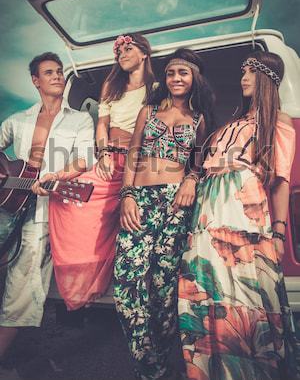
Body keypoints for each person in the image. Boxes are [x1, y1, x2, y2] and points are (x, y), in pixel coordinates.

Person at [178, 51, 298, 380]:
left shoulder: (279, 122)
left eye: (250, 72)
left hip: (244, 208)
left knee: (242, 291)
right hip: (207, 207)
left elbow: (281, 181)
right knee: (207, 286)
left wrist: (278, 231)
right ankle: (212, 369)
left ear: (268, 79)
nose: (243, 78)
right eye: (242, 71)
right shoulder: (229, 124)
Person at [114, 48, 215, 380]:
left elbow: (199, 164)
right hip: (139, 201)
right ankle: (148, 364)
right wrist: (127, 195)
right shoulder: (149, 111)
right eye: (171, 73)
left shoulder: (199, 119)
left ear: (194, 77)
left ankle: (162, 358)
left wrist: (190, 177)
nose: (175, 79)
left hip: (175, 208)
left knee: (162, 289)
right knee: (127, 283)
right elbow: (132, 155)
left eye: (183, 73)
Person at [0, 52, 94, 379]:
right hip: (9, 207)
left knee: (21, 285)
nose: (57, 76)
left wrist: (56, 176)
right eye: (49, 72)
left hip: (47, 210)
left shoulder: (80, 120)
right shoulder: (17, 120)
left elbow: (85, 159)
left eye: (59, 72)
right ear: (36, 81)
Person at [49, 33, 155, 310]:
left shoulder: (156, 88)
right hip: (111, 160)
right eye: (118, 51)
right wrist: (105, 153)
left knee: (133, 221)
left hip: (141, 165)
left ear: (144, 53)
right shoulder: (112, 86)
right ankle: (83, 283)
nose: (122, 54)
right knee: (69, 199)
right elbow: (101, 126)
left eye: (128, 48)